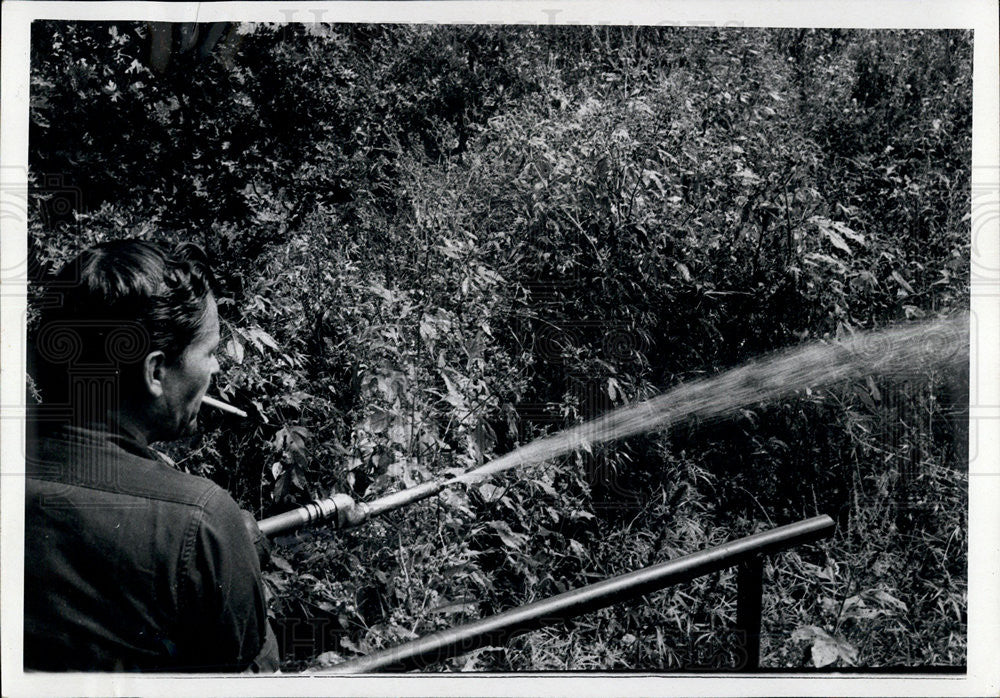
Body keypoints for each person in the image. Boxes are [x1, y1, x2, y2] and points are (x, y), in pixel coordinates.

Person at [25, 239, 278, 672]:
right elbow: (254, 679)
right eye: (211, 352)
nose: (216, 370)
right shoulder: (201, 520)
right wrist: (230, 544)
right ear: (155, 372)